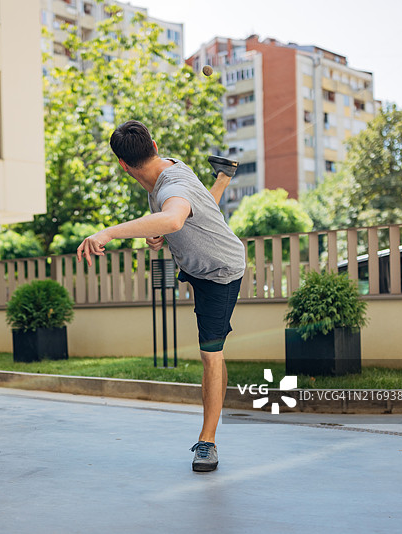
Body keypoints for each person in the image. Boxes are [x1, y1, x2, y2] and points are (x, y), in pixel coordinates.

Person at [76, 120, 245, 472]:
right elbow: (178, 218)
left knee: (210, 354)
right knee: (184, 219)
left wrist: (108, 233)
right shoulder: (163, 171)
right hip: (196, 263)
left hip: (219, 271)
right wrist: (162, 232)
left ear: (122, 164)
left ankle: (207, 442)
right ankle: (223, 178)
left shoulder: (174, 182)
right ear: (153, 144)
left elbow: (172, 220)